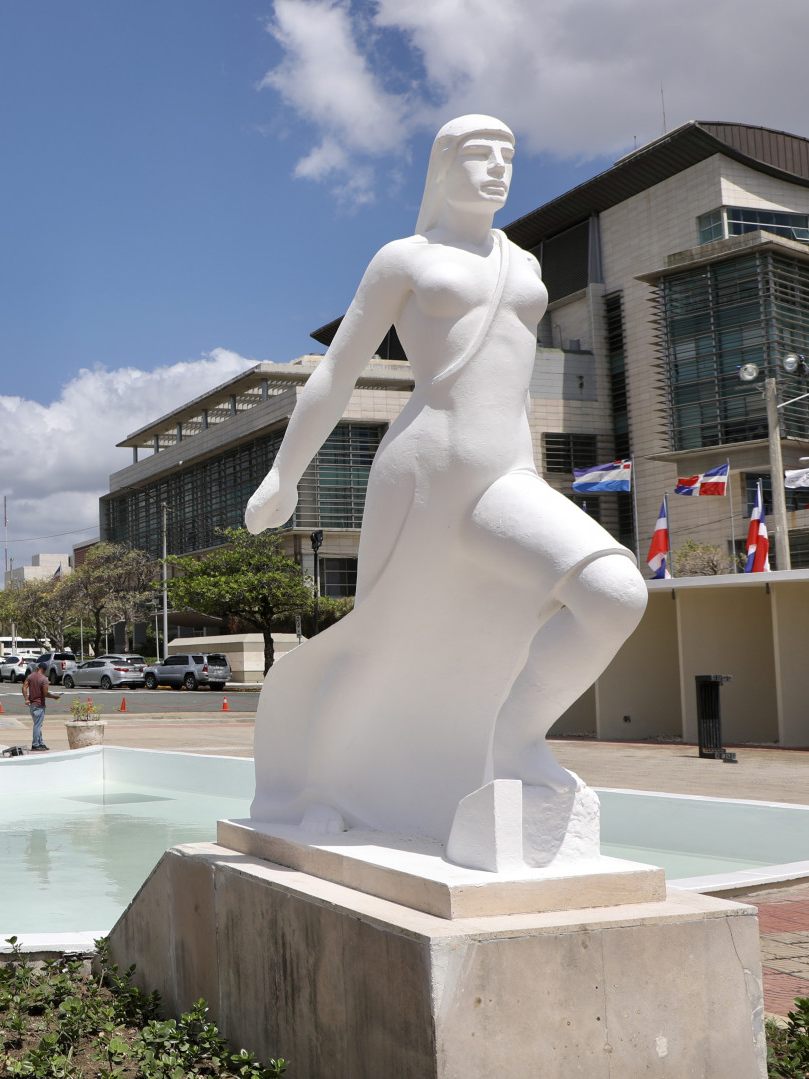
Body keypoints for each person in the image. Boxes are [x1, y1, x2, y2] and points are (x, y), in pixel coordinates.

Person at [240, 115, 646, 866]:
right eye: (478, 153)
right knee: (385, 640)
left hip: (506, 477)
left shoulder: (522, 261)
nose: (498, 167)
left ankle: (513, 744)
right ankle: (320, 786)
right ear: (442, 166)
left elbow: (512, 383)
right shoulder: (404, 258)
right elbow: (336, 374)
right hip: (423, 473)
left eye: (508, 154)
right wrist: (283, 474)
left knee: (614, 593)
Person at [21, 661, 60, 751]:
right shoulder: (44, 679)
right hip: (39, 705)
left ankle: (41, 743)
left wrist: (26, 699)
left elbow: (24, 687)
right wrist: (55, 697)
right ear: (45, 670)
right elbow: (45, 693)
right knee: (37, 725)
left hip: (32, 704)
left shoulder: (31, 676)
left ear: (38, 668)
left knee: (38, 725)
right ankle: (35, 744)